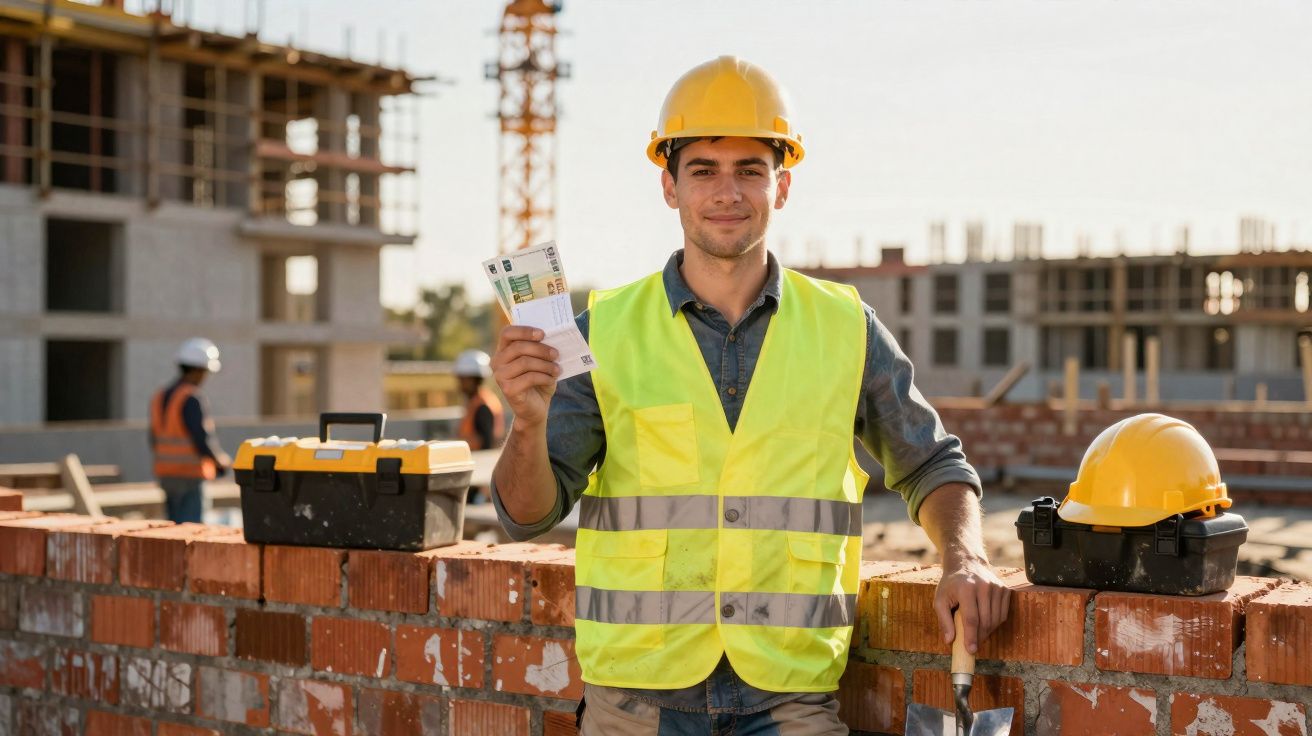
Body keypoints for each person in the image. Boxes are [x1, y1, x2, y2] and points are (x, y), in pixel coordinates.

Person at [489, 56, 1011, 734]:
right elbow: (525, 516)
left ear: (782, 185)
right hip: (638, 705)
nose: (726, 192)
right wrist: (527, 426)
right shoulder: (606, 331)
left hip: (790, 700)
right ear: (669, 187)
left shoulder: (844, 327)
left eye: (750, 171)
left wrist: (965, 558)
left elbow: (932, 463)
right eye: (703, 170)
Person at [149, 337, 230, 523]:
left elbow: (153, 437)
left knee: (174, 531)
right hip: (190, 476)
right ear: (197, 370)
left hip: (166, 475)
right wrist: (220, 461)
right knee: (191, 531)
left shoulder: (160, 396)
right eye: (204, 372)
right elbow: (202, 439)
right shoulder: (191, 398)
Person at [455, 349, 505, 452]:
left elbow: (487, 444)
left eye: (463, 379)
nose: (460, 384)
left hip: (481, 464)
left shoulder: (483, 407)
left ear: (474, 379)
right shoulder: (476, 402)